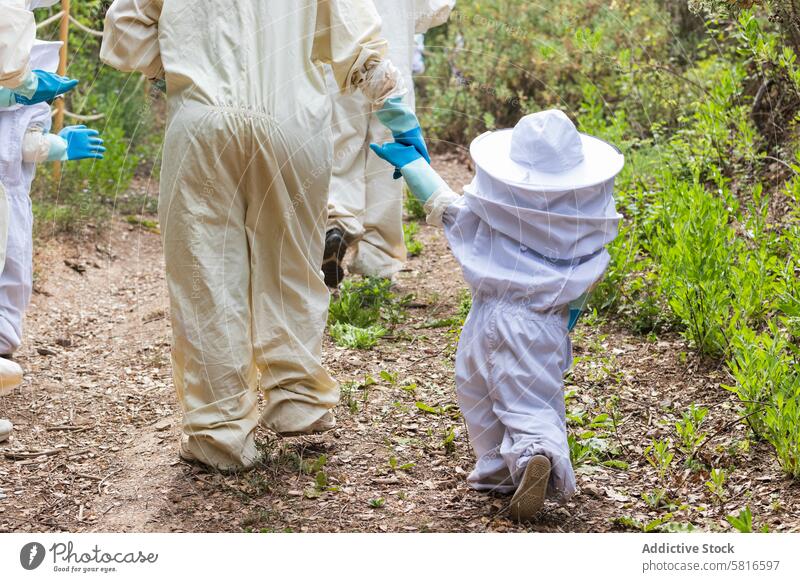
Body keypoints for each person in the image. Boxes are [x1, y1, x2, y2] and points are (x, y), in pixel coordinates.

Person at [100, 0, 430, 471]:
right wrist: (397, 114)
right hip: (293, 126)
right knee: (290, 264)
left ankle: (220, 432)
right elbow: (363, 48)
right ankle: (298, 400)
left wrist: (176, 61)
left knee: (206, 281)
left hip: (202, 122)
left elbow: (126, 27)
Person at [371, 109, 624, 521]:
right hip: (544, 324)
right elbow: (582, 292)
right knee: (531, 399)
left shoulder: (492, 218)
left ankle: (498, 471)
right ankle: (534, 454)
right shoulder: (583, 233)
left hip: (485, 321)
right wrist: (567, 324)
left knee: (478, 395)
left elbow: (444, 206)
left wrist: (413, 164)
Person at [322, 0, 455, 287]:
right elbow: (434, 10)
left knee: (341, 146)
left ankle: (337, 222)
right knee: (388, 158)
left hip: (344, 63)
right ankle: (377, 259)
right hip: (392, 63)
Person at [0, 0, 83, 442]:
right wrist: (63, 145)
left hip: (10, 195)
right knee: (9, 278)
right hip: (6, 201)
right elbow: (26, 147)